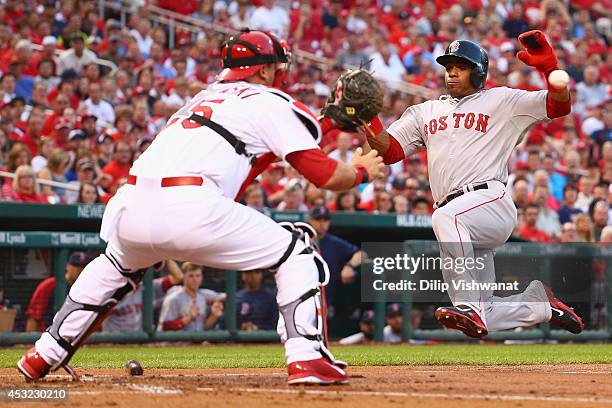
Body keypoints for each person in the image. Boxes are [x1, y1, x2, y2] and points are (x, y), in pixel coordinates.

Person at [18, 29, 383, 385]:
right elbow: (324, 175)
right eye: (275, 66)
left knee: (116, 265)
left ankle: (43, 354)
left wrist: (332, 122)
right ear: (263, 70)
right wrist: (362, 172)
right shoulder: (268, 100)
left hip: (131, 206)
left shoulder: (200, 100)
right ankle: (307, 358)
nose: (279, 73)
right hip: (190, 207)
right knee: (298, 249)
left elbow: (257, 153)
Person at [353, 32, 583, 339]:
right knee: (482, 312)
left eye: (460, 66)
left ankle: (468, 305)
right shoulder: (426, 111)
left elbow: (558, 107)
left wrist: (550, 67)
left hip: (489, 200)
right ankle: (539, 306)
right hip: (459, 221)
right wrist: (368, 116)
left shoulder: (502, 100)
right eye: (448, 66)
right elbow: (390, 150)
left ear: (478, 71)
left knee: (446, 223)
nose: (451, 71)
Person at [102, 260, 183, 332]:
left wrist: (165, 255)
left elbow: (178, 277)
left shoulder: (149, 287)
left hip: (138, 342)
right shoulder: (113, 291)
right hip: (114, 341)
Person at [24, 252, 89, 332]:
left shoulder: (87, 290)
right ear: (67, 266)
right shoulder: (49, 285)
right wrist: (28, 342)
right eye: (76, 266)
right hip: (47, 336)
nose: (80, 270)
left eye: (84, 267)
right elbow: (33, 317)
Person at [158, 263, 225, 331]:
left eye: (198, 276)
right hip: (174, 341)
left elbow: (202, 328)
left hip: (194, 341)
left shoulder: (201, 297)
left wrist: (214, 316)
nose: (195, 279)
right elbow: (164, 327)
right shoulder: (174, 298)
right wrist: (189, 318)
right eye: (191, 276)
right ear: (184, 277)